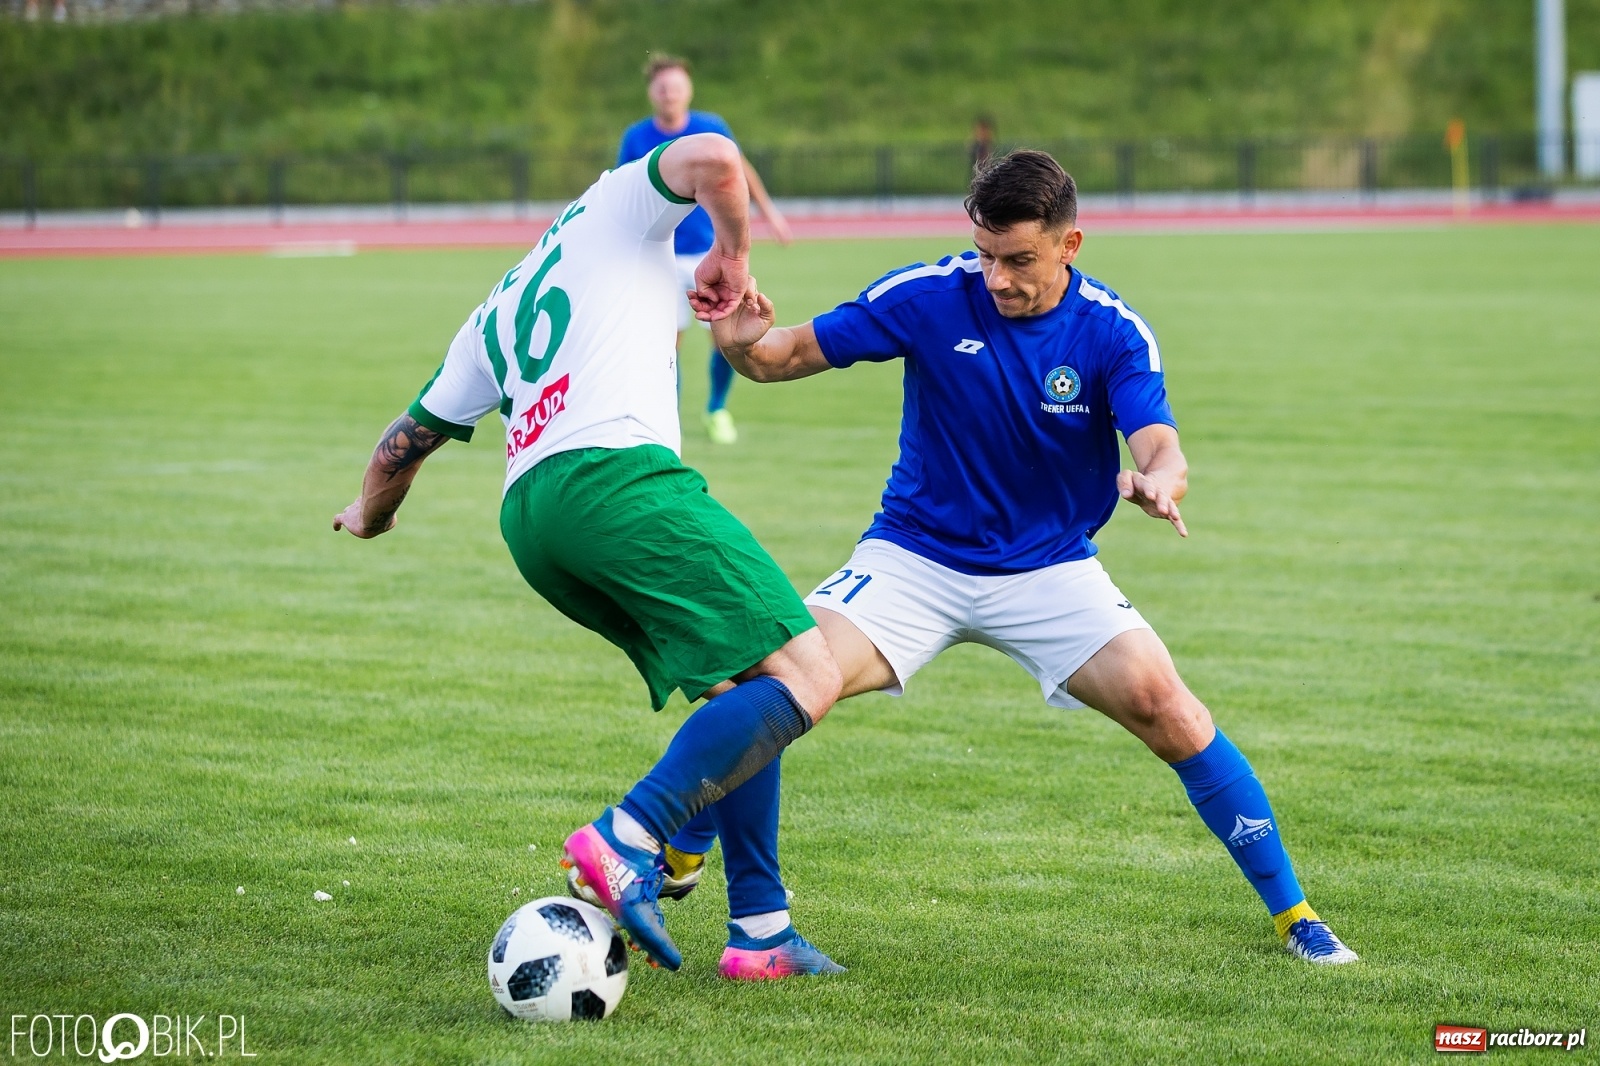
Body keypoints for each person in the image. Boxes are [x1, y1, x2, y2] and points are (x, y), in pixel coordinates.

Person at [706, 149, 1360, 965]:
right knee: (776, 682)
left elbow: (1160, 443)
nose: (997, 278)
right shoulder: (930, 294)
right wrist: (739, 346)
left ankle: (1295, 915)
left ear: (1069, 245)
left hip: (1050, 570)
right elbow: (783, 355)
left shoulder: (1112, 331)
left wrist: (1161, 481)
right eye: (985, 255)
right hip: (914, 559)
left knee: (1172, 710)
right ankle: (682, 850)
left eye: (1018, 260)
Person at [332, 132, 843, 977]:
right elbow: (715, 157)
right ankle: (629, 836)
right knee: (808, 673)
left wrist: (368, 514)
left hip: (533, 520)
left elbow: (403, 443)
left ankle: (761, 932)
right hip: (617, 481)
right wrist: (733, 246)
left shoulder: (499, 305)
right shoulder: (613, 206)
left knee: (748, 691)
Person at [617, 53, 793, 446]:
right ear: (652, 93)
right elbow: (622, 193)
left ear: (688, 90)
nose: (669, 94)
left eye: (676, 87)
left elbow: (741, 171)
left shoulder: (710, 128)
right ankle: (669, 419)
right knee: (666, 344)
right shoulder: (637, 137)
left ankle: (716, 408)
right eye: (662, 88)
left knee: (725, 336)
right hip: (658, 256)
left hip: (709, 253)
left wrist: (771, 215)